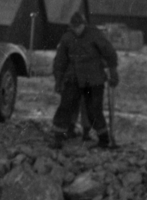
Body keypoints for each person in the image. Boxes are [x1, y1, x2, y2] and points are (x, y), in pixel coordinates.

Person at [51, 11, 119, 149]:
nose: (77, 29)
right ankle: (58, 137)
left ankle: (104, 139)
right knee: (65, 107)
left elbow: (109, 52)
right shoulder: (67, 38)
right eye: (74, 26)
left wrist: (113, 71)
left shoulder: (95, 34)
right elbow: (60, 62)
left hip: (94, 81)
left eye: (79, 26)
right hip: (73, 79)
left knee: (94, 109)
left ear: (84, 24)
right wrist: (58, 80)